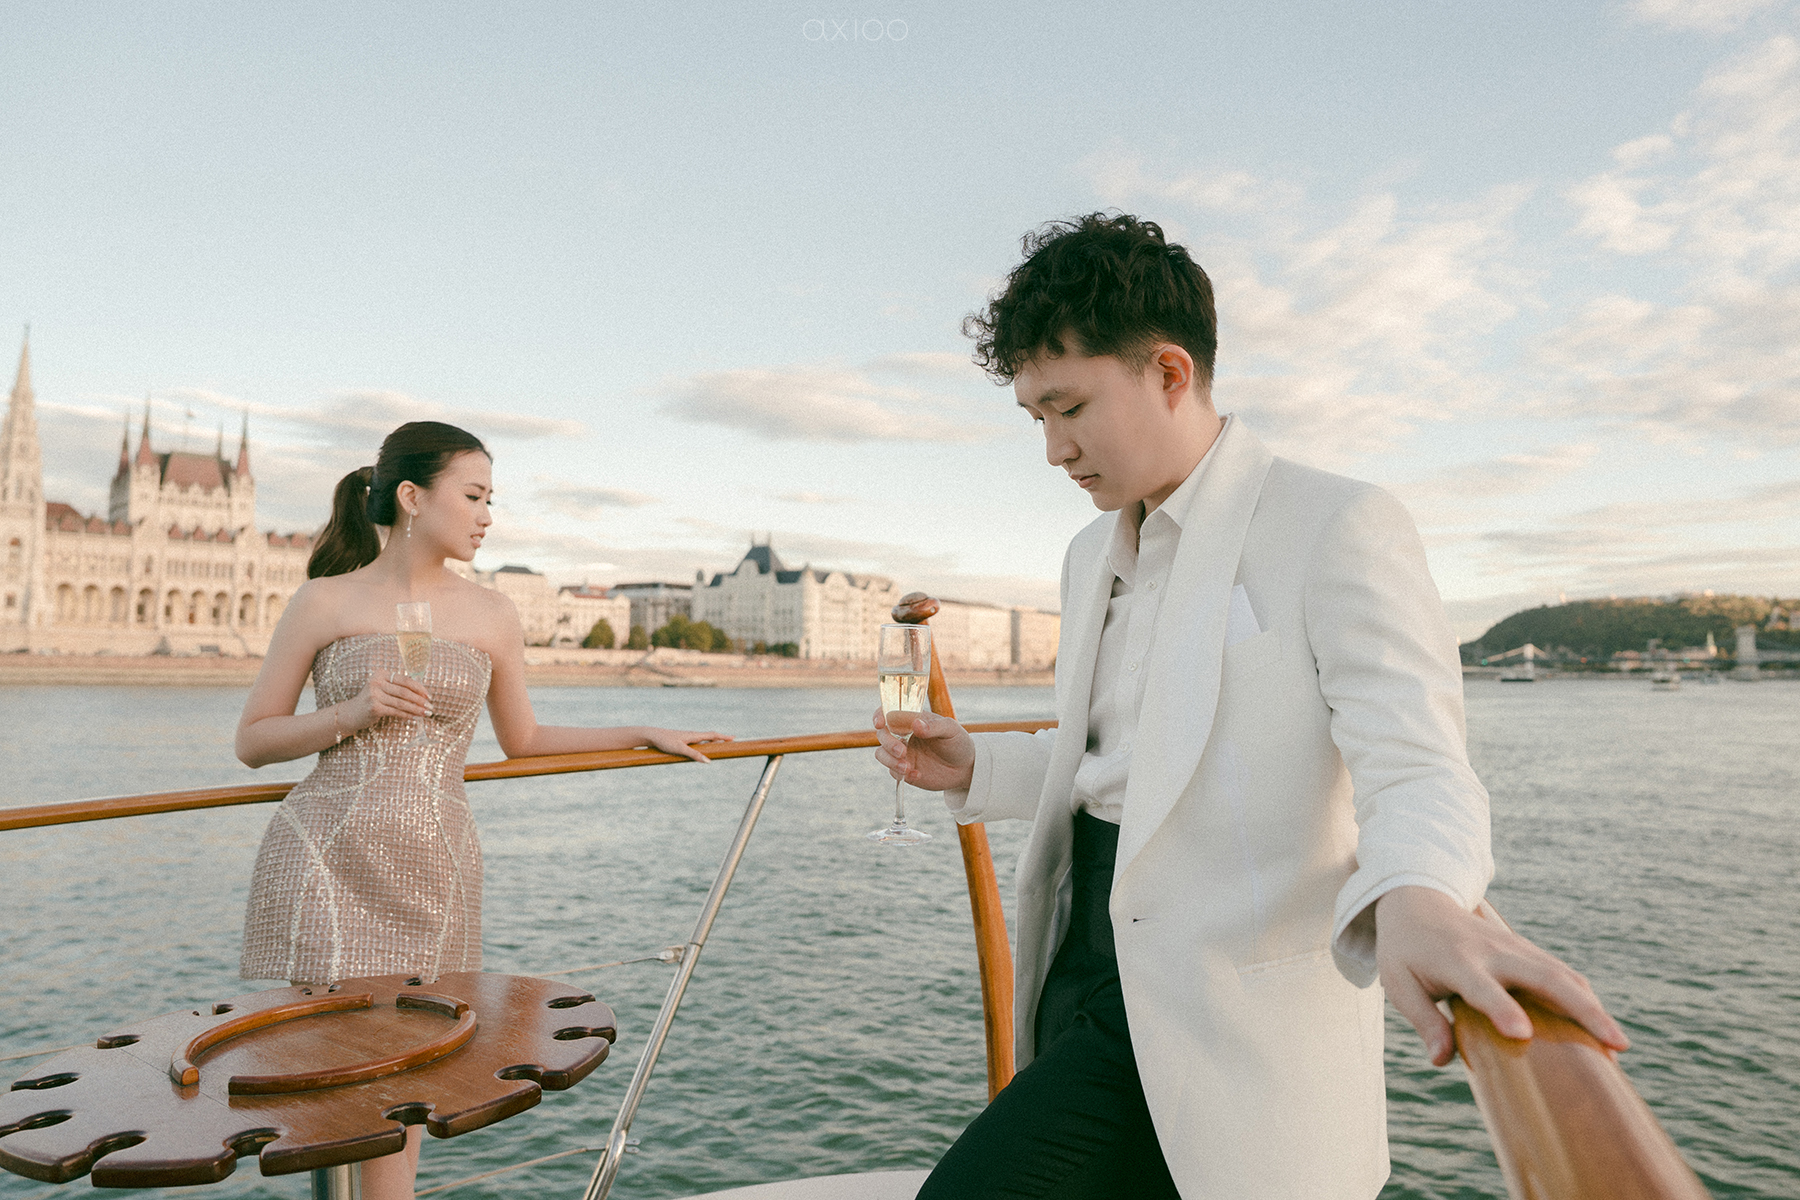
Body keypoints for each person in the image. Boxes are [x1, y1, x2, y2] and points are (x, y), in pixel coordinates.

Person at [874, 214, 1629, 1199]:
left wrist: (1422, 891)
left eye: (1070, 408)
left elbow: (1418, 765)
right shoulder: (1087, 553)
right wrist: (980, 766)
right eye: (1036, 419)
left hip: (1223, 998)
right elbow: (1121, 759)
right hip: (1079, 961)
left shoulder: (1336, 523)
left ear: (1170, 372)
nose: (1054, 449)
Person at [234, 420, 729, 1200]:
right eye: (472, 496)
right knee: (334, 1093)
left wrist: (643, 730)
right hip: (326, 858)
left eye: (491, 499)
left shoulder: (492, 612)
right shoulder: (324, 599)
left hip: (435, 866)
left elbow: (523, 740)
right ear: (411, 496)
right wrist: (352, 711)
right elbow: (254, 741)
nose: (487, 516)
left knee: (408, 1091)